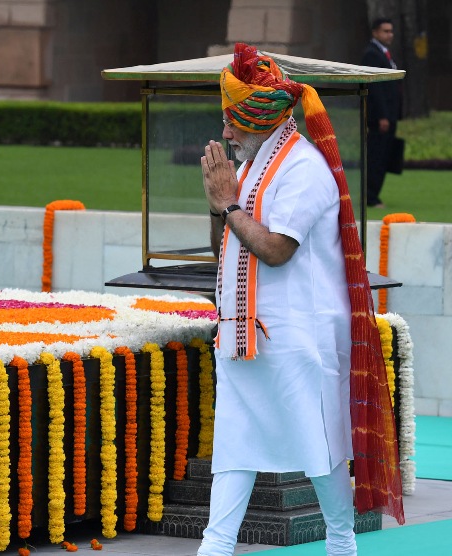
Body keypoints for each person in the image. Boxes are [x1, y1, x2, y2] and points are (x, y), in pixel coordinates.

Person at [198, 43, 404, 556]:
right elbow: (227, 243)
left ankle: (341, 543)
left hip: (298, 342)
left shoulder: (304, 168)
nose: (226, 133)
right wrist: (220, 205)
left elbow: (275, 250)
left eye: (232, 121)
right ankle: (214, 546)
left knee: (319, 451)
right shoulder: (251, 165)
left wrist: (227, 205)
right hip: (244, 340)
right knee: (234, 449)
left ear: (258, 119)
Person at [361, 17, 402, 208]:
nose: (390, 35)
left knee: (384, 155)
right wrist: (382, 116)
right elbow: (375, 89)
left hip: (390, 114)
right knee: (377, 157)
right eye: (385, 31)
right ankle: (370, 196)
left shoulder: (384, 53)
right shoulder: (372, 54)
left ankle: (373, 194)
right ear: (375, 32)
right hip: (381, 117)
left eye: (391, 31)